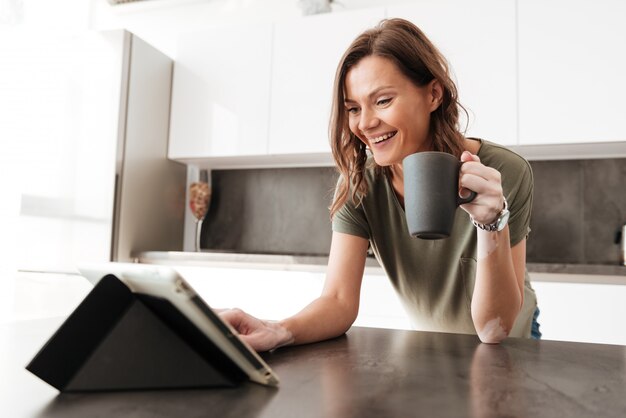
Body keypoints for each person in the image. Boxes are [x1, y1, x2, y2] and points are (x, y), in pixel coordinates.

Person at [220, 18, 540, 351]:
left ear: (433, 94)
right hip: (434, 346)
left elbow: (495, 330)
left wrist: (492, 224)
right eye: (353, 108)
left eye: (383, 101)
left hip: (513, 348)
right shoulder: (360, 182)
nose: (366, 123)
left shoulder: (503, 171)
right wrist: (279, 330)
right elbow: (338, 299)